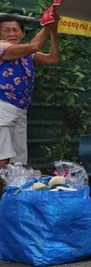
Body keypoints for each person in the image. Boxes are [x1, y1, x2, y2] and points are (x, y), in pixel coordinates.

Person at [0, 15, 60, 168]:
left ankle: (11, 184)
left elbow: (53, 59)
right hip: (3, 106)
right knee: (2, 158)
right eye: (6, 30)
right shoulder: (2, 47)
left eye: (15, 30)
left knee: (17, 160)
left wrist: (53, 32)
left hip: (19, 108)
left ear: (22, 33)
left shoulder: (26, 54)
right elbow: (33, 46)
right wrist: (48, 25)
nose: (12, 34)